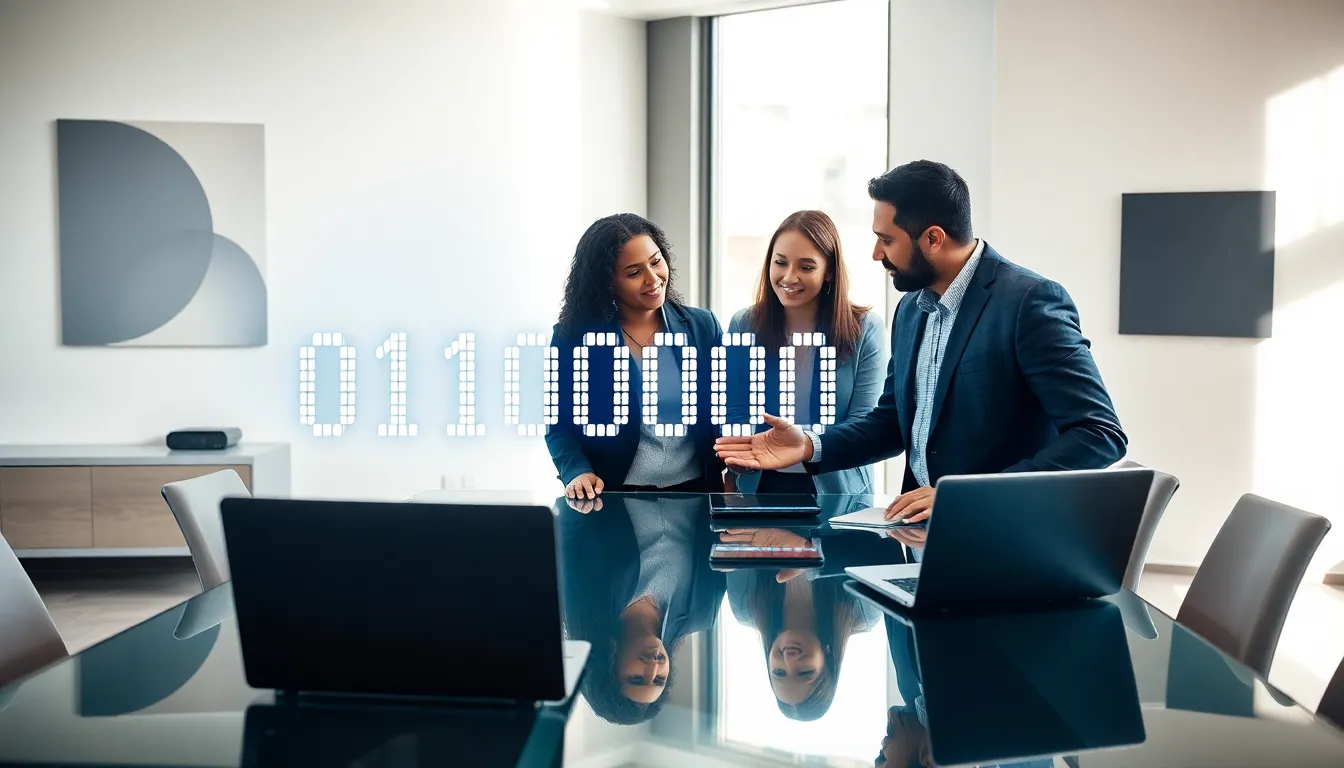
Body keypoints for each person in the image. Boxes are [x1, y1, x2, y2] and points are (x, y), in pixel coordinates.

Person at [714, 160, 1126, 528]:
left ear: (932, 238)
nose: (876, 254)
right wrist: (808, 445)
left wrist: (964, 496)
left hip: (1003, 535)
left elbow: (1100, 433)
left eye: (887, 240)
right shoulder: (912, 309)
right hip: (916, 534)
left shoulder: (1029, 302)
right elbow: (892, 423)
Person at [547, 213, 726, 498]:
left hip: (696, 497)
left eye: (656, 262)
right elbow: (559, 425)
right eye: (634, 273)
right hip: (614, 499)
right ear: (607, 282)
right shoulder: (573, 339)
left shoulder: (703, 327)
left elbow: (726, 410)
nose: (653, 279)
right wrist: (576, 470)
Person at [724, 210, 887, 495]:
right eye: (780, 263)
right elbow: (736, 409)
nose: (789, 277)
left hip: (837, 487)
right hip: (760, 482)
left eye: (806, 267)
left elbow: (864, 425)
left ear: (830, 272)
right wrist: (744, 453)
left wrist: (804, 445)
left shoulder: (865, 329)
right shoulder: (744, 324)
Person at [556, 493, 726, 724]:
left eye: (637, 678)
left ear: (609, 667)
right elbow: (722, 529)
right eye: (659, 680)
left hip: (621, 465)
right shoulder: (703, 611)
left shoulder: (583, 601)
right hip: (699, 466)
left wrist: (582, 496)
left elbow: (565, 528)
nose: (653, 669)